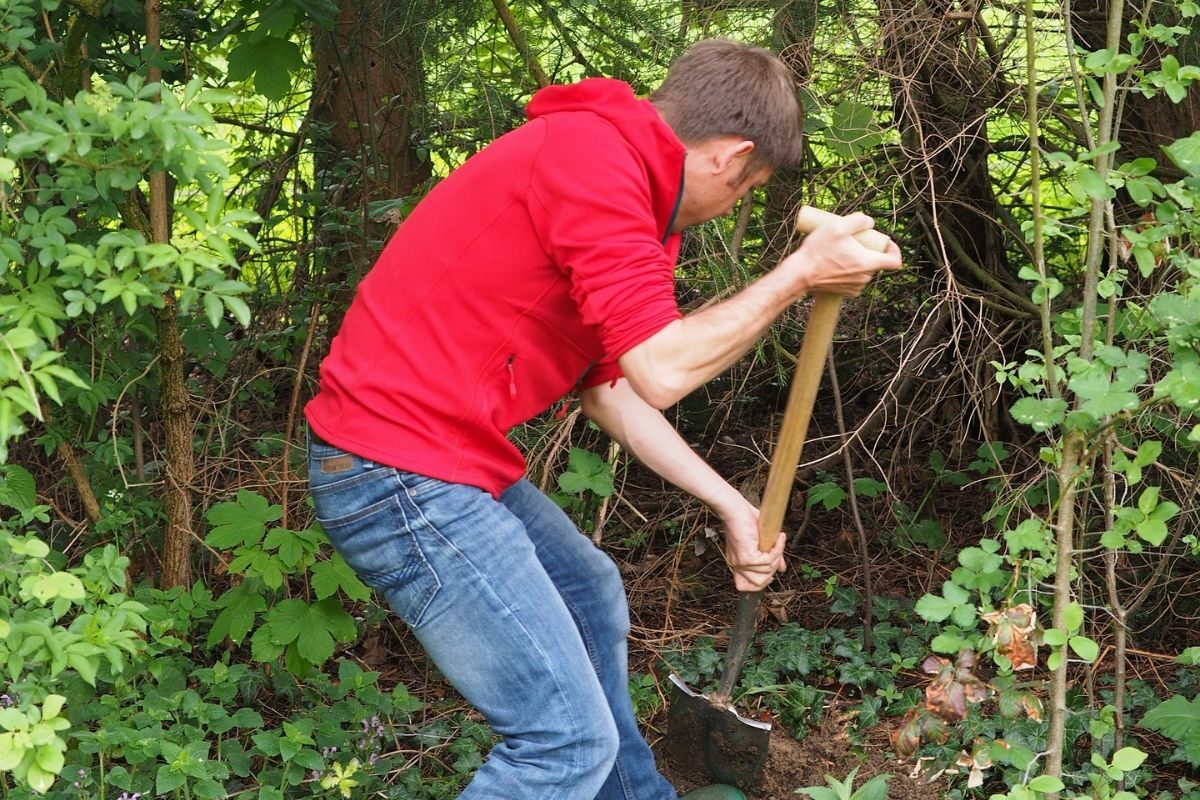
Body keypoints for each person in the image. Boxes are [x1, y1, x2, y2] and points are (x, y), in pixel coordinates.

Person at [304, 38, 901, 800]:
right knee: (561, 743)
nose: (737, 206)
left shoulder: (636, 195)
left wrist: (732, 506)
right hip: (395, 470)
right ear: (730, 155)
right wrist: (797, 275)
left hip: (439, 460)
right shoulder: (595, 164)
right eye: (748, 189)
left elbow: (615, 389)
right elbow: (666, 367)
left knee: (589, 593)